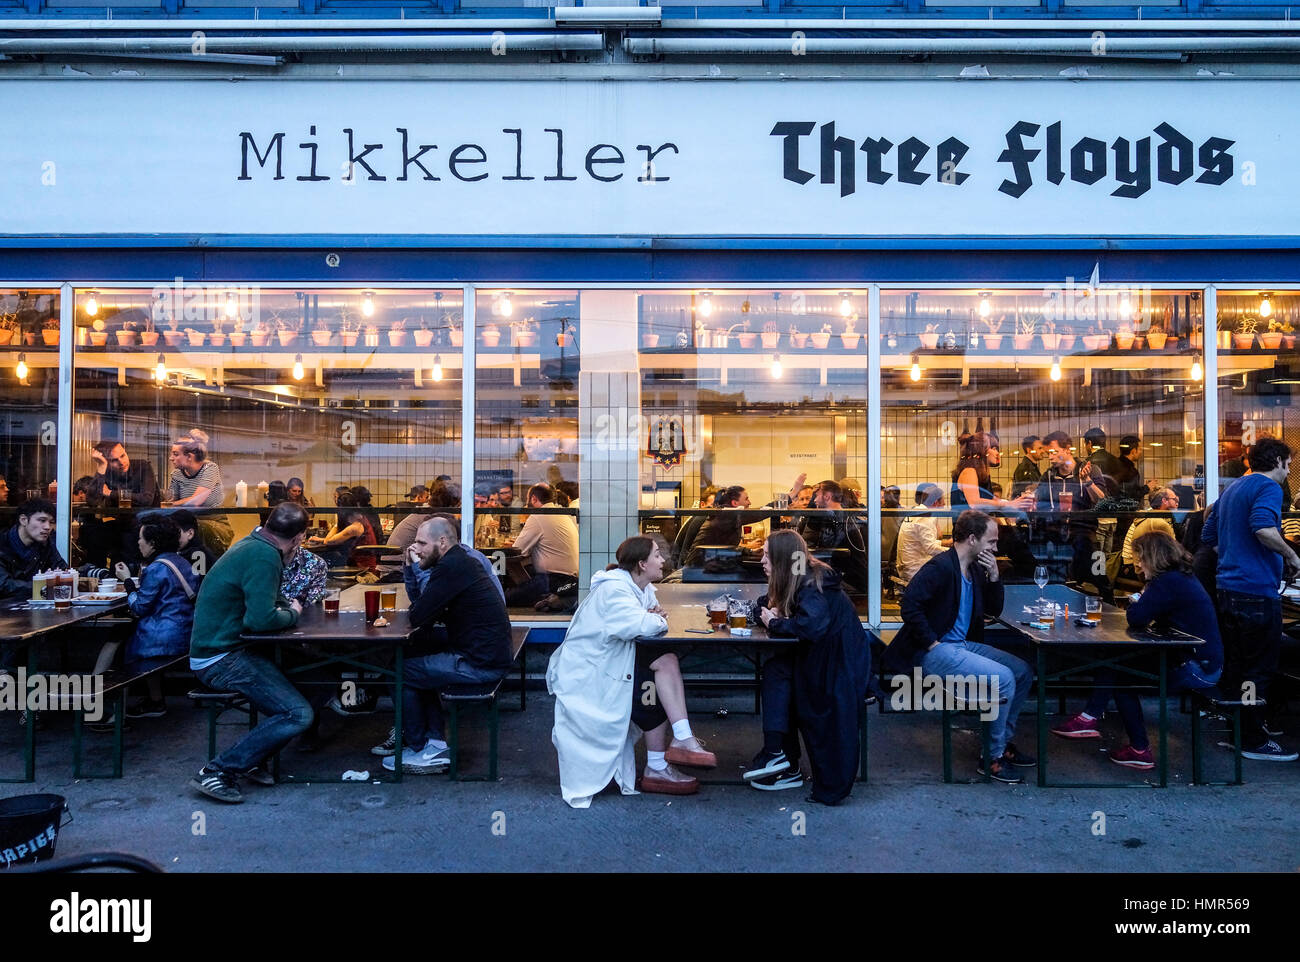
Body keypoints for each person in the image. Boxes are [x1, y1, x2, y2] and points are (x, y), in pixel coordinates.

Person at [548, 536, 716, 807]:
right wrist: (655, 617)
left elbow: (643, 621)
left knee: (663, 665)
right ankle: (669, 754)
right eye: (657, 556)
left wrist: (651, 617)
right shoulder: (614, 590)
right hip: (592, 673)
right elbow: (640, 624)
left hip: (613, 660)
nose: (662, 561)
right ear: (641, 563)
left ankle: (666, 758)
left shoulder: (639, 587)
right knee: (660, 671)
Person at [1052, 531, 1223, 769]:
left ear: (1153, 557)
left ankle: (1137, 747)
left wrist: (1140, 597)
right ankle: (1090, 719)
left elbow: (1137, 617)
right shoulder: (1180, 577)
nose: (1138, 564)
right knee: (1114, 660)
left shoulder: (1166, 582)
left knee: (1121, 677)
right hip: (1200, 660)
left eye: (1140, 558)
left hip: (1196, 667)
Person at [888, 510, 1035, 784]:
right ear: (971, 539)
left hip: (963, 646)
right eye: (991, 542)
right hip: (936, 650)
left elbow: (993, 610)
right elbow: (910, 604)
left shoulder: (976, 569)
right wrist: (931, 642)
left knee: (1023, 671)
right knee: (1002, 678)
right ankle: (992, 758)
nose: (995, 547)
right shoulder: (941, 566)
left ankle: (1001, 742)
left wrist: (994, 577)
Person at [187, 503, 312, 804]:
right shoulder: (265, 557)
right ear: (298, 538)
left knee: (315, 675)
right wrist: (294, 612)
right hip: (220, 658)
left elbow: (267, 604)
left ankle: (255, 758)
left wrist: (283, 608)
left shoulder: (252, 543)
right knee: (298, 713)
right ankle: (218, 771)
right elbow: (261, 620)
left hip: (224, 649)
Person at [377, 516, 514, 774]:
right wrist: (411, 568)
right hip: (486, 652)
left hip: (480, 663)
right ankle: (434, 741)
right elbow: (425, 607)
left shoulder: (452, 568)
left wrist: (417, 568)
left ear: (442, 541)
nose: (415, 548)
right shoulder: (459, 562)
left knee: (398, 672)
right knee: (415, 652)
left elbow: (418, 615)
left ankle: (421, 748)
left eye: (421, 543)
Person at [746, 530, 871, 804]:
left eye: (767, 555)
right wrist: (769, 614)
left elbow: (811, 627)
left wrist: (773, 622)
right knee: (778, 670)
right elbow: (762, 606)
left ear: (781, 559)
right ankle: (780, 756)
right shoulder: (800, 576)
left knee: (779, 672)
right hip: (823, 657)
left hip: (838, 666)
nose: (762, 561)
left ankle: (780, 756)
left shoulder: (815, 583)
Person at [1200, 436, 1300, 761]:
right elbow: (1263, 528)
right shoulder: (1268, 488)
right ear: (1278, 462)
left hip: (1228, 589)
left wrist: (1233, 557)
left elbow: (1207, 535)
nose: (1289, 470)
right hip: (1256, 593)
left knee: (1239, 665)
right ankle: (1254, 740)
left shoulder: (1233, 489)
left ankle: (1240, 731)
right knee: (1259, 668)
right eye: (1288, 463)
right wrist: (1291, 557)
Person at [106, 517, 199, 719]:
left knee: (121, 649)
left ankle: (112, 714)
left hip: (164, 638)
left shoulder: (157, 568)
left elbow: (139, 607)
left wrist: (127, 582)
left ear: (153, 543)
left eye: (141, 538)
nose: (138, 543)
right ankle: (155, 701)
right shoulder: (181, 561)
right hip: (185, 632)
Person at [504, 483, 579, 607]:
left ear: (533, 499)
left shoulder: (538, 516)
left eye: (528, 499)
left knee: (505, 598)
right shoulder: (559, 513)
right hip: (570, 579)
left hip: (554, 581)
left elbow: (517, 551)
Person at [167, 429, 233, 554]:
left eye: (175, 454)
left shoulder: (210, 468)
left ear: (189, 457)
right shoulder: (176, 474)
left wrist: (170, 504)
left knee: (195, 530)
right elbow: (170, 500)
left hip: (214, 525)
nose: (171, 458)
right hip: (188, 524)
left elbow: (196, 500)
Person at [0, 498, 66, 600]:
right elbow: (4, 585)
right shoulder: (3, 545)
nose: (48, 527)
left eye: (51, 522)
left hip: (33, 607)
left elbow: (62, 569)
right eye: (42, 520)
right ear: (23, 520)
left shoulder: (46, 544)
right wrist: (44, 583)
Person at [896, 483, 949, 583]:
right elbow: (930, 548)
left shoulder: (917, 511)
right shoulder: (925, 518)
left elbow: (921, 541)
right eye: (942, 501)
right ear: (935, 502)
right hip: (915, 570)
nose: (944, 504)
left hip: (908, 565)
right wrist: (954, 552)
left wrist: (945, 543)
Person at [88, 440, 160, 508]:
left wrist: (110, 493)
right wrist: (101, 466)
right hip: (115, 519)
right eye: (114, 460)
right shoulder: (105, 471)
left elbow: (146, 500)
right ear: (106, 462)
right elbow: (92, 502)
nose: (122, 462)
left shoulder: (142, 466)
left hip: (143, 518)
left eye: (123, 456)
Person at [1121, 487, 1179, 567]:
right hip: (1133, 565)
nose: (1177, 502)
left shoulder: (1162, 515)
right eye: (1174, 499)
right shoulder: (1154, 520)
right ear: (1164, 501)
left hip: (1144, 561)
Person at [1113, 435, 1158, 503]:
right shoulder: (1130, 471)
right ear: (1133, 451)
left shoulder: (1114, 464)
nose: (1141, 452)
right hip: (1124, 511)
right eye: (1139, 449)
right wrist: (1147, 487)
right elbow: (1131, 496)